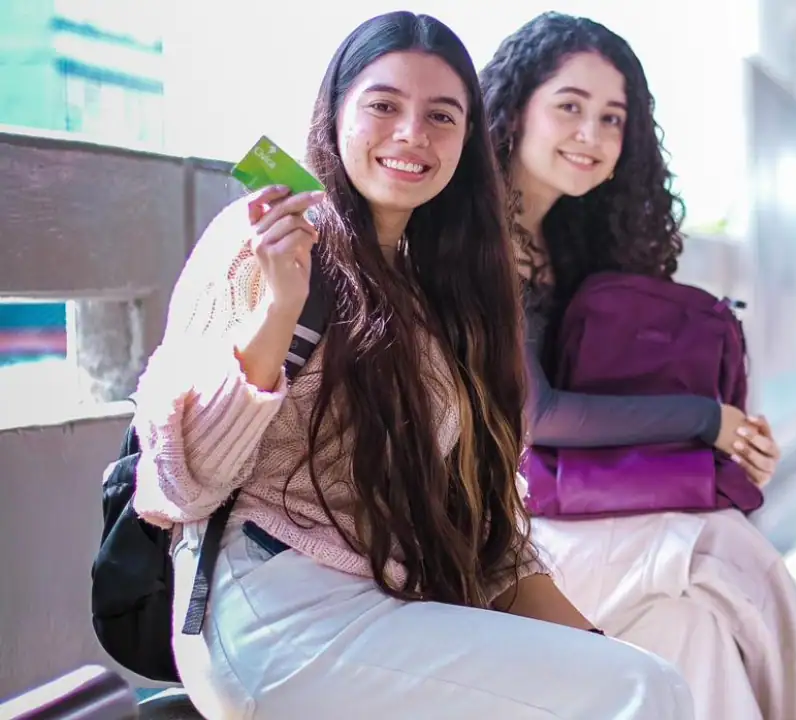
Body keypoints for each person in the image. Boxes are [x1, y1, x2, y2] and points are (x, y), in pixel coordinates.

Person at [129, 12, 693, 720]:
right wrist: (278, 309)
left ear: (468, 137)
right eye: (384, 106)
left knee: (646, 674)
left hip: (391, 607)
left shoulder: (451, 291)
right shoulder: (262, 242)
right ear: (335, 112)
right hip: (269, 612)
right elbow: (181, 485)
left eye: (441, 116)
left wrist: (599, 649)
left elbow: (493, 541)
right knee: (645, 692)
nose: (411, 135)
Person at [480, 13, 796, 720]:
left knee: (698, 634)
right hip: (498, 546)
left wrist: (732, 442)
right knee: (720, 545)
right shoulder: (477, 238)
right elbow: (538, 414)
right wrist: (707, 423)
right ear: (514, 108)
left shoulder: (569, 238)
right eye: (570, 107)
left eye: (612, 118)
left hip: (567, 529)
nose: (591, 136)